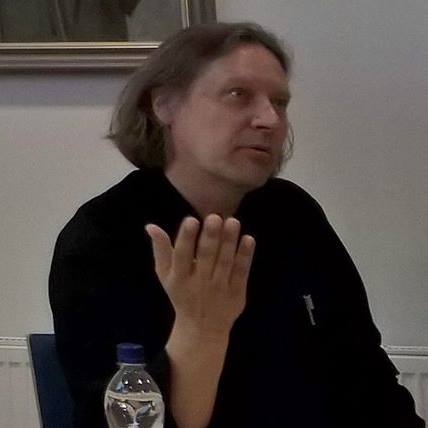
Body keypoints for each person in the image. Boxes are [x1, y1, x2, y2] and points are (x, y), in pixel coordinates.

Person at [49, 22, 425, 428]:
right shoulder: (103, 238)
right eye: (238, 94)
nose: (269, 119)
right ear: (164, 105)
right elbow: (123, 420)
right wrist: (200, 331)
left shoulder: (293, 214)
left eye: (279, 102)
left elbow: (366, 374)